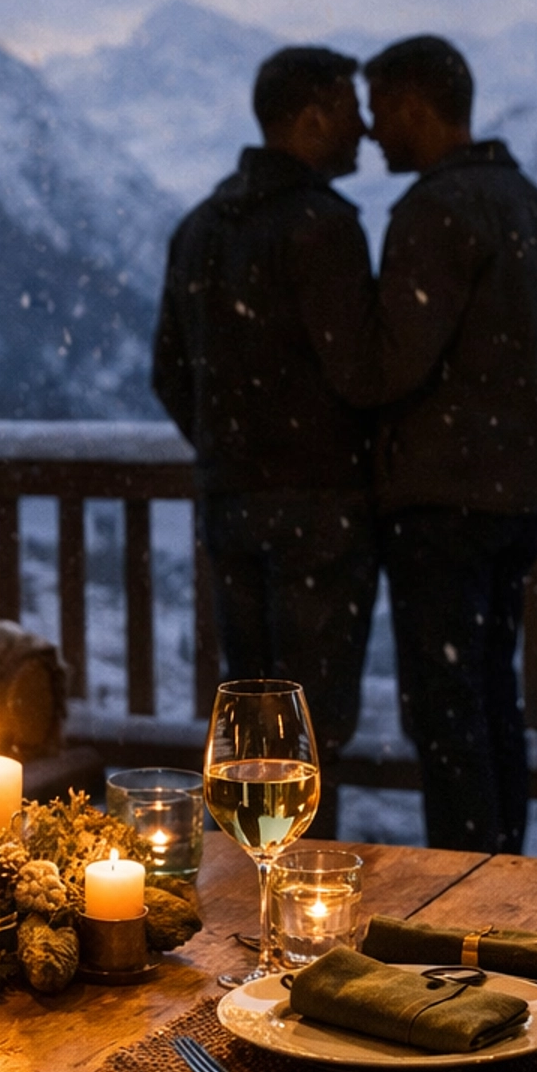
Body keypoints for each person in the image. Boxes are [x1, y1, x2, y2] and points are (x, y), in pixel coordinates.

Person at [362, 34, 537, 857]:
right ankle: (501, 878)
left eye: (380, 109)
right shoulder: (536, 208)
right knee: (494, 698)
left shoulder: (434, 212)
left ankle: (460, 890)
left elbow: (392, 364)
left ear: (415, 106)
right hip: (515, 504)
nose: (371, 129)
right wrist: (523, 449)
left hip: (439, 510)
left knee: (445, 710)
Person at [152, 46, 382, 835]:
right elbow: (360, 374)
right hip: (321, 512)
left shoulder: (200, 227)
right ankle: (307, 891)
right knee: (313, 727)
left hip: (231, 505)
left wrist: (229, 450)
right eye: (350, 109)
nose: (365, 127)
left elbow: (168, 371)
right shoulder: (324, 227)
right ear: (312, 117)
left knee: (248, 723)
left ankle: (248, 883)